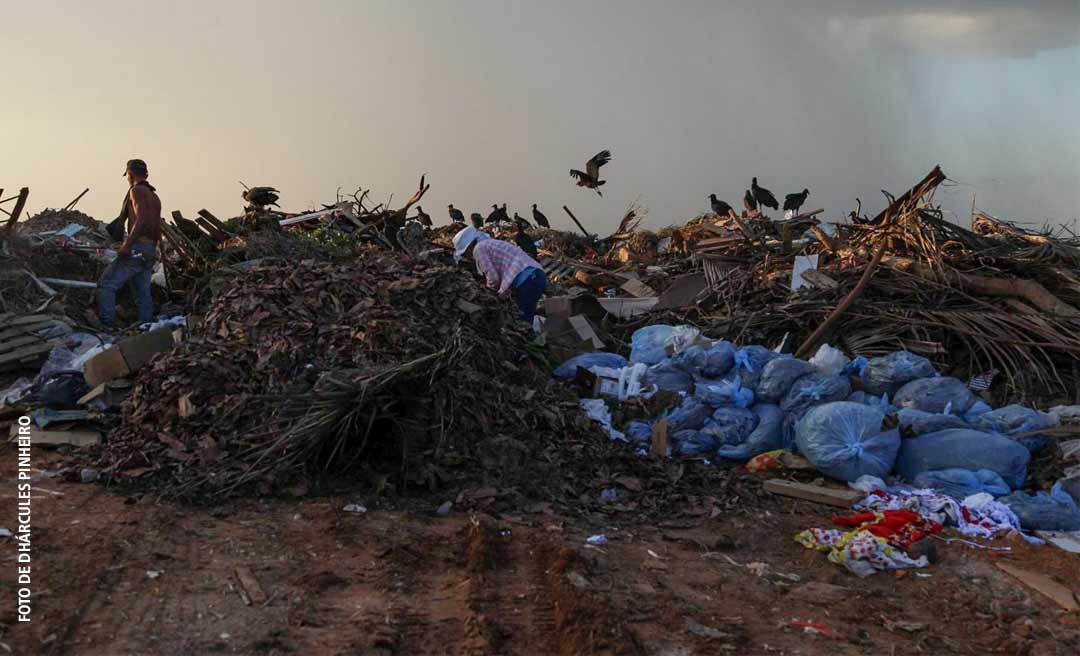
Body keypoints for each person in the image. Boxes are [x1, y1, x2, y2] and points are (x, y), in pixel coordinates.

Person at [98, 159, 162, 328]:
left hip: (138, 247)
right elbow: (157, 225)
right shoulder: (154, 196)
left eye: (128, 175)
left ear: (130, 174)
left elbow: (141, 220)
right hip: (149, 249)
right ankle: (147, 327)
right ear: (146, 174)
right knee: (142, 292)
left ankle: (107, 327)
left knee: (107, 284)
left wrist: (127, 245)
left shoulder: (136, 191)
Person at [453, 226, 547, 327]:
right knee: (527, 315)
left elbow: (493, 278)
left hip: (527, 280)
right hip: (537, 275)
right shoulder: (489, 243)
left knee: (523, 322)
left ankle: (531, 341)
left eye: (464, 254)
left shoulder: (478, 249)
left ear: (468, 247)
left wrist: (488, 295)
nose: (466, 257)